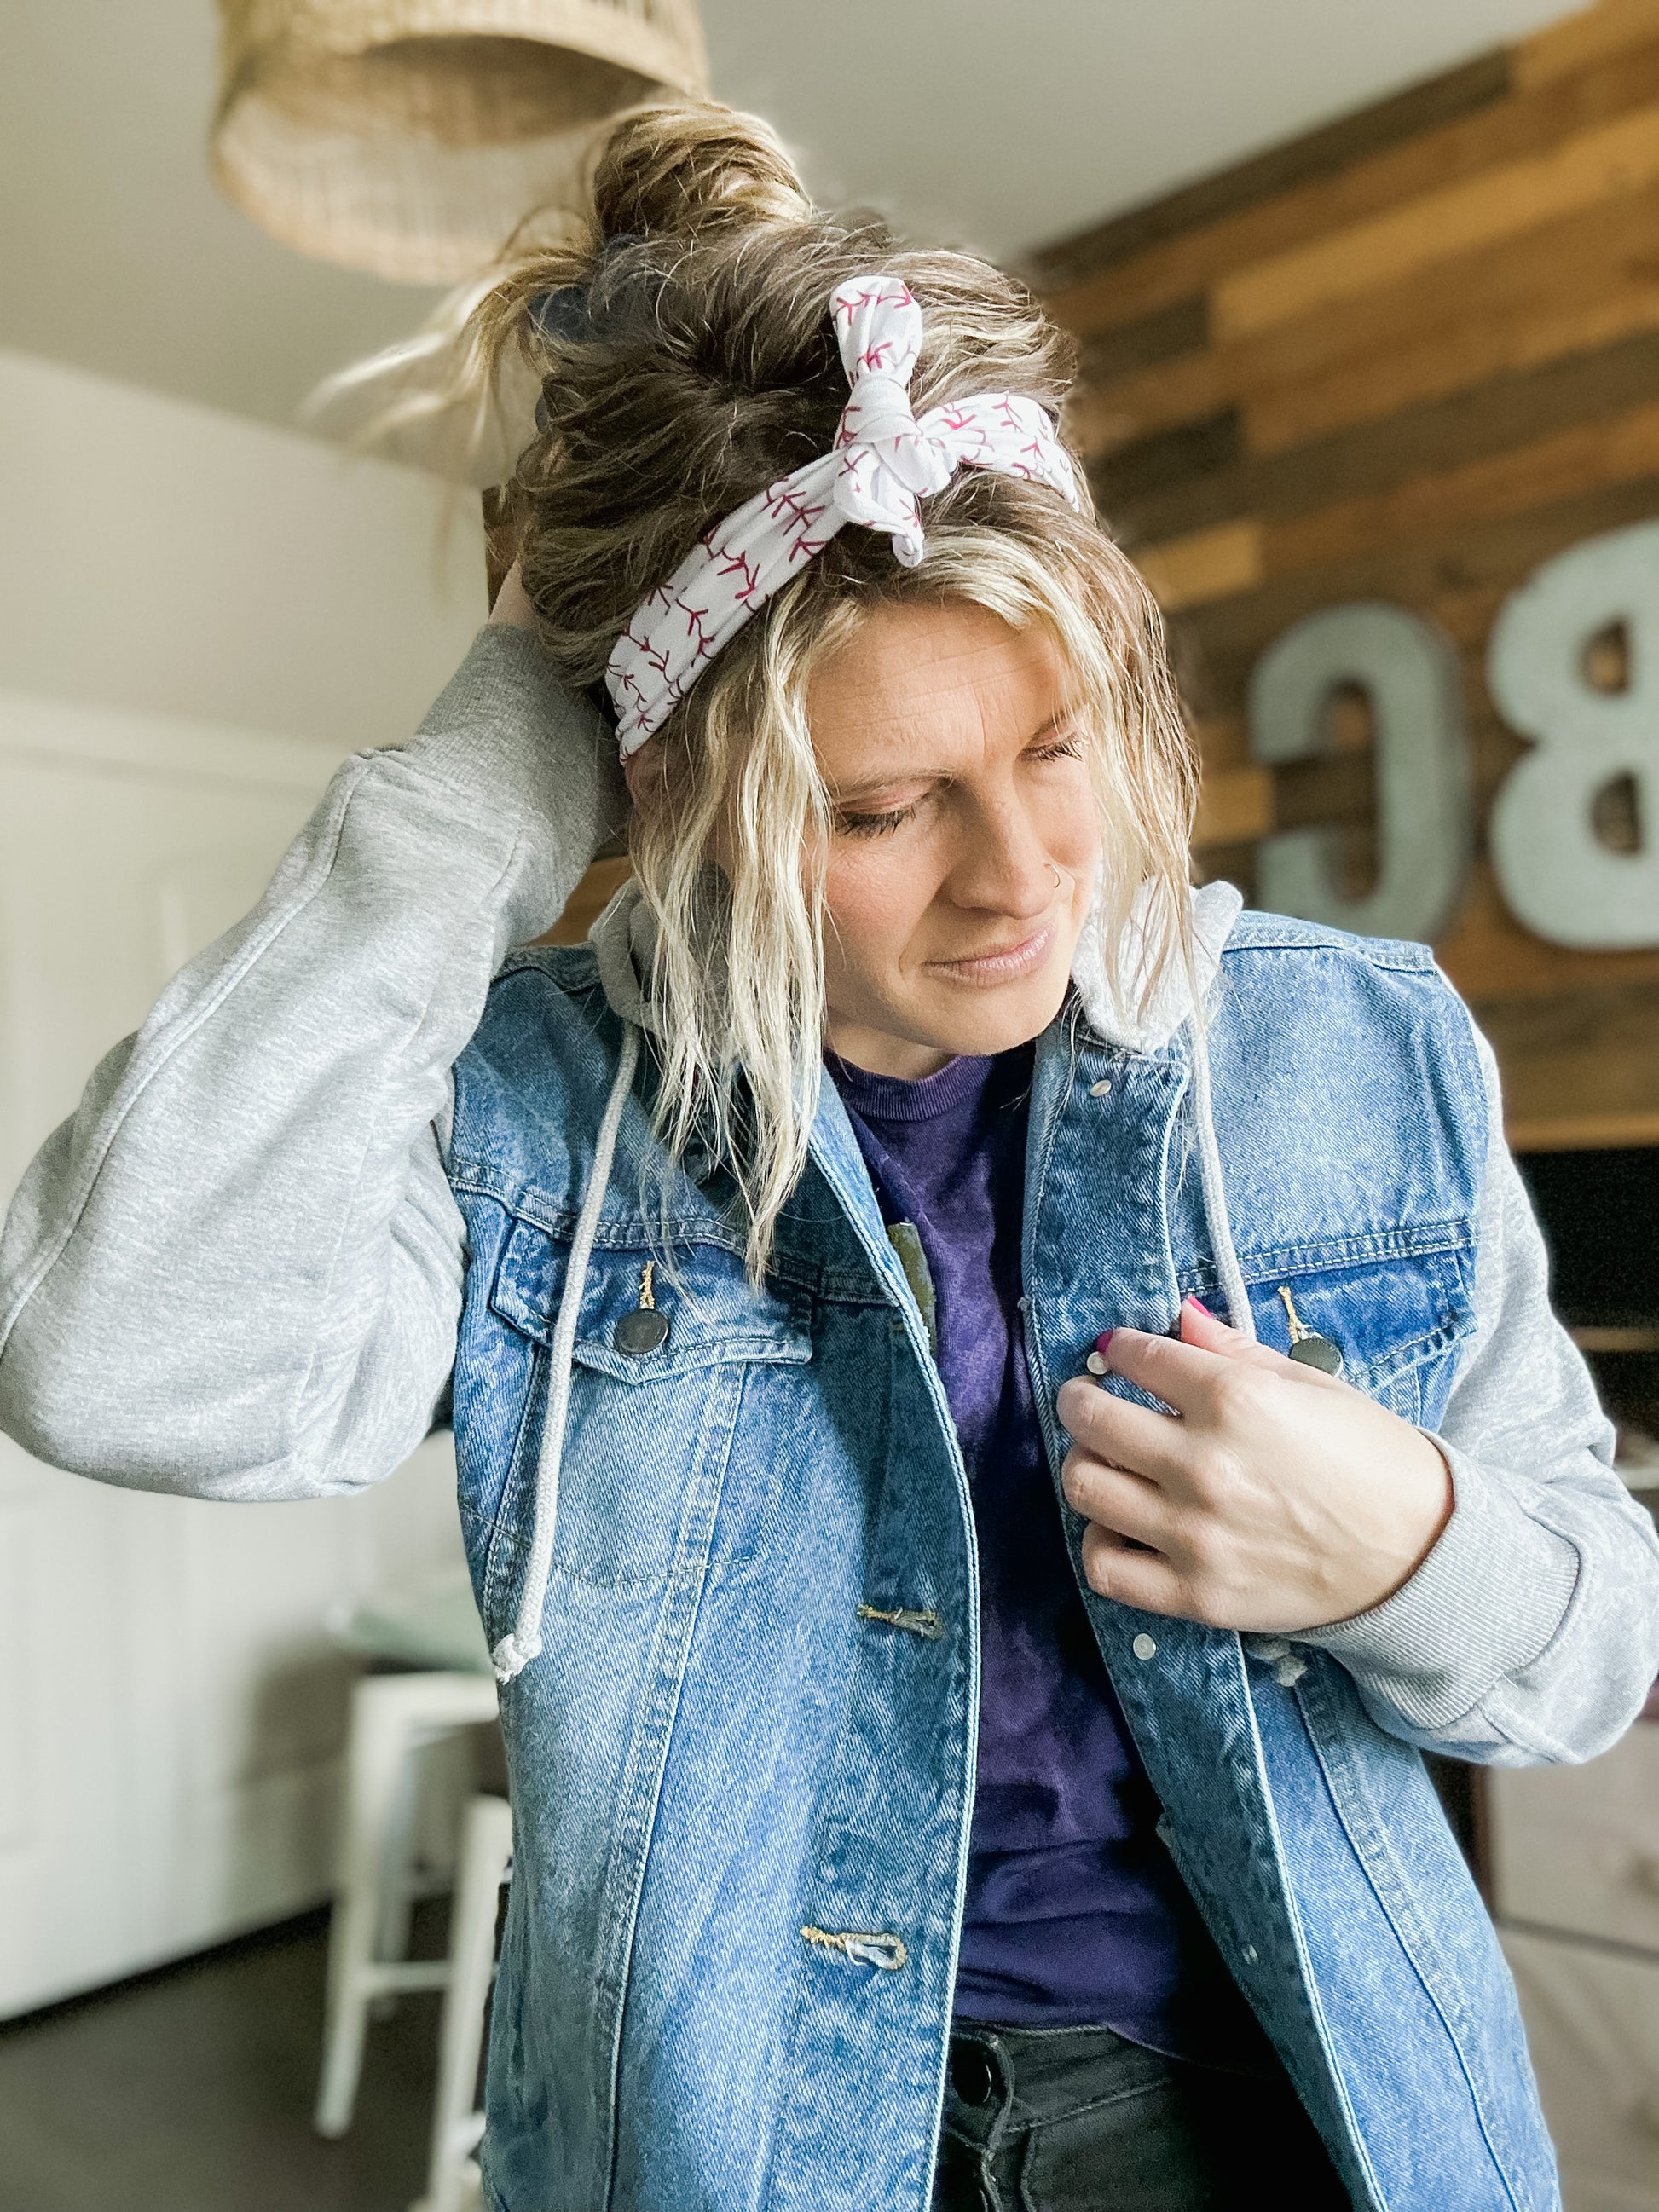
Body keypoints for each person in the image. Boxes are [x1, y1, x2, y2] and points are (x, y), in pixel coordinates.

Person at [2, 101, 1656, 2212]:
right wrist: (509, 738)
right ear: (674, 784)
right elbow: (107, 1350)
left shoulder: (1348, 1048)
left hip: (1296, 2131)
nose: (1018, 881)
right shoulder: (541, 1117)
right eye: (880, 811)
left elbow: (1596, 1646)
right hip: (747, 2150)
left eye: (1056, 750)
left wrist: (1411, 1539)